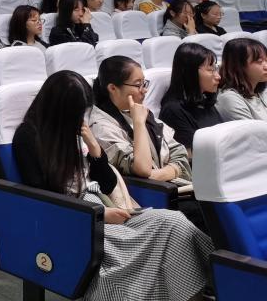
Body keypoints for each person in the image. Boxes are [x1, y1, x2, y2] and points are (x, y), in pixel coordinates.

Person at [12, 71, 212, 301]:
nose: (81, 119)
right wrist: (98, 214)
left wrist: (94, 149)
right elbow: (43, 197)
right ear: (59, 110)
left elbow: (107, 184)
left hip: (102, 204)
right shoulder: (28, 137)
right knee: (119, 260)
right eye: (76, 113)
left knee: (174, 223)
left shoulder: (76, 131)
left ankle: (195, 292)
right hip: (73, 218)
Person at [89, 56, 192, 191]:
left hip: (169, 188)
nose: (144, 90)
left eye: (144, 83)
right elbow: (142, 170)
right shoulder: (101, 126)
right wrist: (138, 123)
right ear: (113, 88)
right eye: (138, 85)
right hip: (142, 195)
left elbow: (179, 152)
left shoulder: (139, 111)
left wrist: (162, 174)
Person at [159, 42, 223, 152]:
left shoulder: (204, 100)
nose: (218, 76)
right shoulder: (173, 110)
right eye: (210, 70)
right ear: (190, 73)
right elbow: (191, 154)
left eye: (215, 69)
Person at [216, 37, 267, 121]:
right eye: (259, 61)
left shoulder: (261, 89)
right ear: (238, 65)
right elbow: (252, 129)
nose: (266, 66)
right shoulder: (230, 98)